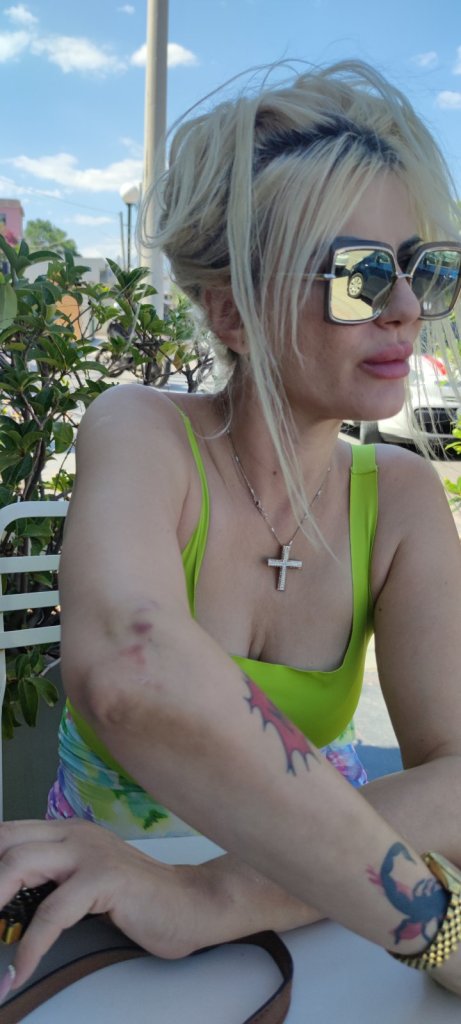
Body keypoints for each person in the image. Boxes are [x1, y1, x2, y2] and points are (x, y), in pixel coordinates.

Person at [1, 58, 461, 1001]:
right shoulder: (141, 430)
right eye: (359, 275)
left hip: (314, 918)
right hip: (94, 919)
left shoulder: (403, 495)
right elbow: (135, 672)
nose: (407, 308)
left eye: (424, 269)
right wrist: (437, 934)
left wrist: (213, 895)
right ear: (229, 311)